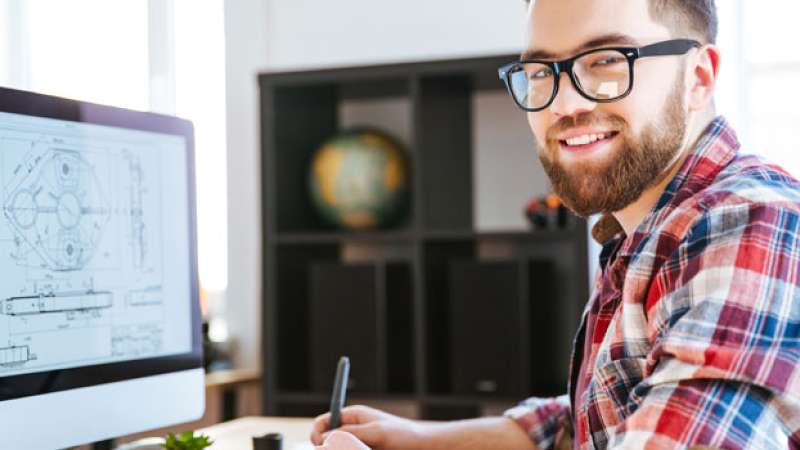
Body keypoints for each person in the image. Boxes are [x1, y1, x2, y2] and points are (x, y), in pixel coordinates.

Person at [311, 0, 800, 448]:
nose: (563, 105)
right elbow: (596, 415)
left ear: (698, 77)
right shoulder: (644, 227)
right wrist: (414, 438)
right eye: (541, 72)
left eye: (607, 60)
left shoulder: (750, 222)